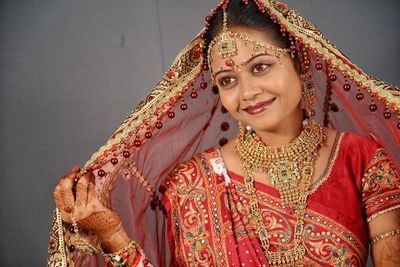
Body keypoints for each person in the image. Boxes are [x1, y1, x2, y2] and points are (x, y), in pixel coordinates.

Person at [48, 0, 400, 266]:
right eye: (228, 80)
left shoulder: (362, 160)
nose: (247, 93)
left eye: (260, 67)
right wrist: (111, 234)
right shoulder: (190, 184)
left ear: (300, 62)